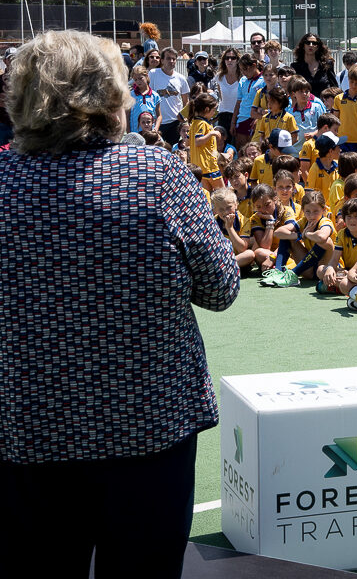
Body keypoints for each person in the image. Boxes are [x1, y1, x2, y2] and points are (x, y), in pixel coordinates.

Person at [0, 30, 239, 577]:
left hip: (27, 429)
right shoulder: (159, 177)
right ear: (109, 98)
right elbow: (221, 289)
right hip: (149, 429)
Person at [148, 46, 189, 147]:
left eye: (173, 59)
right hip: (157, 122)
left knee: (172, 149)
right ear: (162, 60)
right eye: (168, 58)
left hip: (174, 122)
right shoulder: (153, 74)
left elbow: (186, 101)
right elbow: (148, 95)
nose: (171, 61)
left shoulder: (181, 78)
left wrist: (184, 118)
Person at [231, 53, 265, 149]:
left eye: (245, 69)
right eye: (241, 70)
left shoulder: (264, 80)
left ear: (254, 65)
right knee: (241, 150)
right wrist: (233, 122)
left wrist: (257, 118)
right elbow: (238, 102)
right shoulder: (243, 80)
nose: (243, 73)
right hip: (241, 118)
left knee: (254, 150)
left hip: (255, 120)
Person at [210, 47, 241, 135]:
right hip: (223, 114)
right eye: (227, 58)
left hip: (238, 115)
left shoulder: (242, 77)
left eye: (233, 58)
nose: (229, 60)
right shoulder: (219, 76)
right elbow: (221, 97)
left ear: (237, 60)